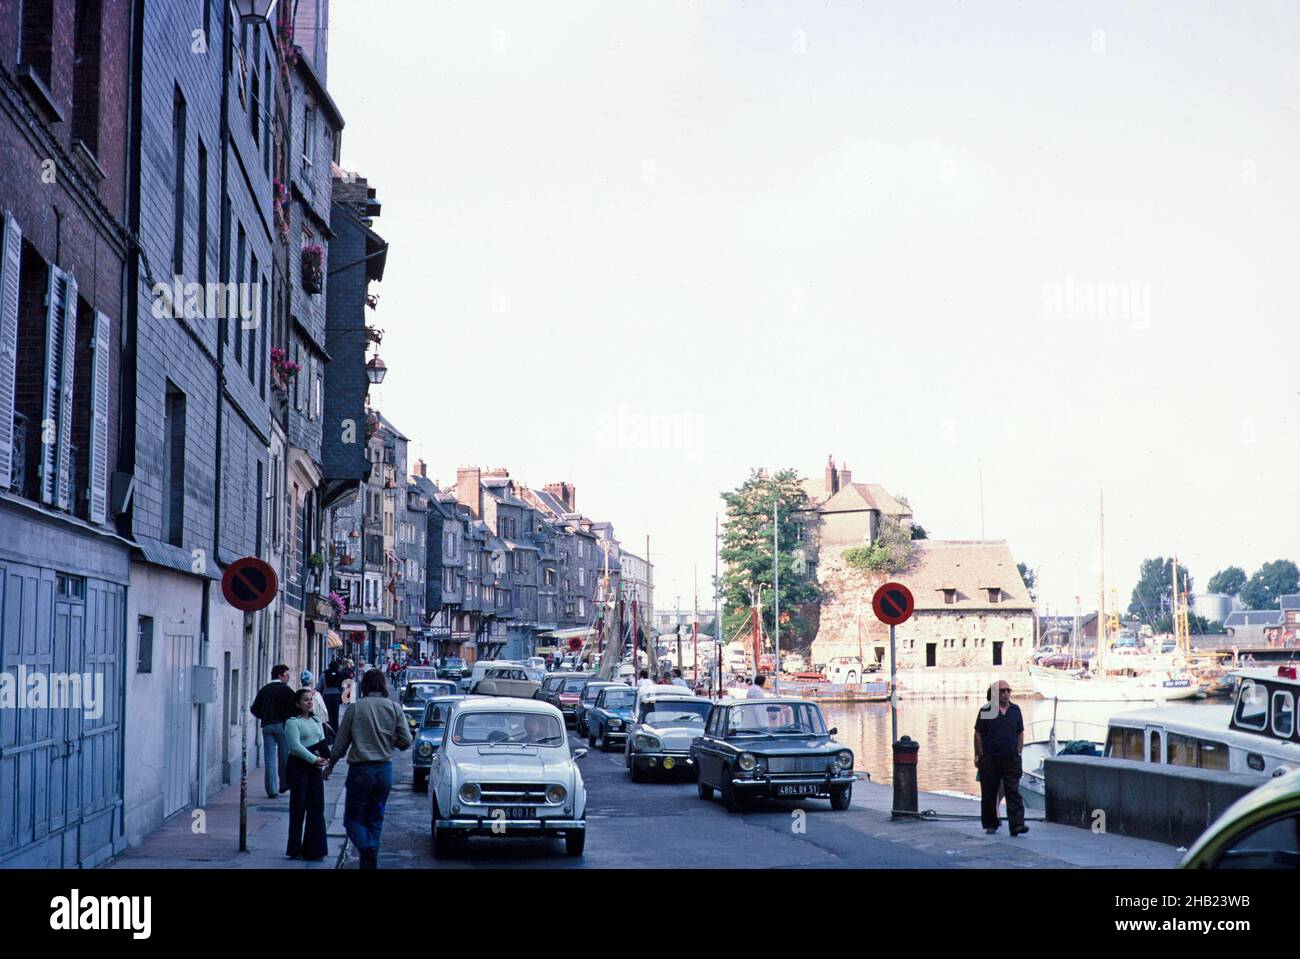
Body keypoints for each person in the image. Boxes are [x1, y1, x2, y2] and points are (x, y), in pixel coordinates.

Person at [325, 668, 412, 869]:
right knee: (375, 819)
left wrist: (330, 765)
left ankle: (366, 848)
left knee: (352, 819)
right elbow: (407, 741)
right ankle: (370, 862)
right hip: (384, 772)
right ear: (383, 685)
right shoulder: (393, 707)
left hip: (360, 772)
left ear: (364, 686)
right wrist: (391, 741)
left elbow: (340, 743)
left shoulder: (356, 708)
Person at [974, 680, 1027, 836]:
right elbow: (978, 734)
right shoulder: (986, 710)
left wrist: (1019, 752)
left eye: (1008, 691)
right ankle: (991, 823)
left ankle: (1017, 825)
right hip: (990, 758)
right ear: (995, 693)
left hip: (1011, 758)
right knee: (989, 793)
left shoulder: (1015, 710)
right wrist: (978, 754)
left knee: (1013, 792)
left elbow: (1020, 732)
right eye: (1002, 691)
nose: (1005, 693)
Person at [285, 687, 330, 861]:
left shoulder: (317, 720)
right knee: (298, 808)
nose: (309, 702)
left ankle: (314, 849)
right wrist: (313, 759)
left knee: (317, 807)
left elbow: (321, 742)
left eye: (311, 699)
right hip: (298, 767)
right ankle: (295, 847)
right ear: (297, 703)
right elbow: (295, 746)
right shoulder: (292, 722)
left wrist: (326, 759)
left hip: (314, 768)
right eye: (305, 699)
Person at [250, 665, 295, 798]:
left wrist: (264, 717)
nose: (288, 677)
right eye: (286, 675)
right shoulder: (287, 691)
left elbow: (254, 709)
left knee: (269, 758)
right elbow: (295, 708)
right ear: (280, 676)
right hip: (282, 726)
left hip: (267, 726)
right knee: (284, 755)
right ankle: (284, 784)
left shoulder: (264, 690)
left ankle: (271, 789)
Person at [323, 657, 344, 730]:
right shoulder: (340, 675)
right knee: (335, 715)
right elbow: (343, 688)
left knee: (328, 715)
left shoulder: (324, 674)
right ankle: (335, 731)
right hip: (336, 696)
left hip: (326, 696)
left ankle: (329, 731)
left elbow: (319, 686)